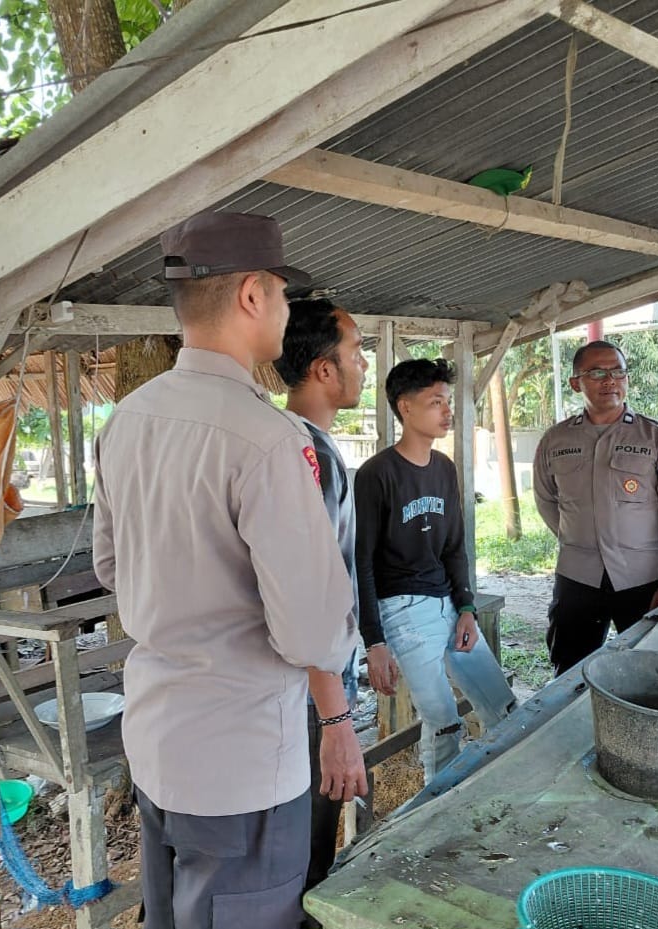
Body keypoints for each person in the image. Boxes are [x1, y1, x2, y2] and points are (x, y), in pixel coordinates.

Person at [92, 211, 363, 929]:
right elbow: (310, 631)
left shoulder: (127, 420)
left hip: (157, 741)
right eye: (280, 293)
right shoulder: (269, 440)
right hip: (242, 769)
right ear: (250, 295)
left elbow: (111, 567)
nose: (283, 310)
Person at [354, 358, 516, 782]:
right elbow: (362, 562)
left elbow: (455, 547)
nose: (447, 412)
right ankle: (439, 812)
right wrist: (374, 642)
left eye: (448, 402)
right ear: (405, 408)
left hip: (447, 602)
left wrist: (466, 608)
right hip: (403, 611)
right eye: (436, 402)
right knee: (444, 722)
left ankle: (507, 790)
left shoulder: (444, 470)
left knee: (505, 708)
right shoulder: (377, 475)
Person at [273, 298, 375, 906]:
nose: (365, 365)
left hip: (312, 686)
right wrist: (334, 718)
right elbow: (303, 594)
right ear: (324, 370)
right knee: (307, 846)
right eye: (357, 351)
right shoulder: (303, 455)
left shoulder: (300, 445)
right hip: (309, 692)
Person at [533, 339, 658, 676]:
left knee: (649, 671)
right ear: (576, 383)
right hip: (578, 578)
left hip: (645, 579)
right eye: (597, 372)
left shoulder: (656, 437)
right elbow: (547, 501)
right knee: (569, 668)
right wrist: (580, 539)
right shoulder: (556, 440)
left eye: (617, 371)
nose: (610, 380)